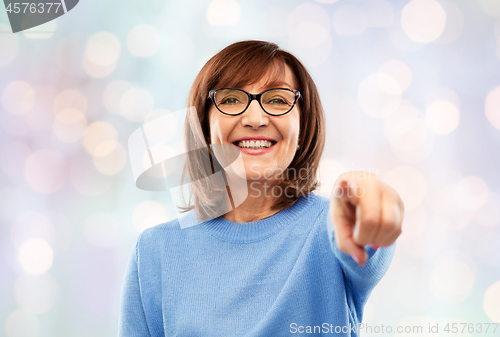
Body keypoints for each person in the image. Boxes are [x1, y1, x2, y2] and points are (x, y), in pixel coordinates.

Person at [118, 40, 404, 336]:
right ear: (203, 124)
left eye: (278, 100)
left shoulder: (331, 228)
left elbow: (367, 237)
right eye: (230, 99)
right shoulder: (155, 251)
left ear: (303, 124)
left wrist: (368, 196)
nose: (255, 119)